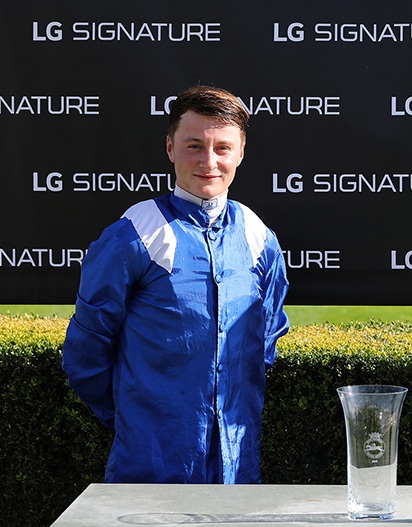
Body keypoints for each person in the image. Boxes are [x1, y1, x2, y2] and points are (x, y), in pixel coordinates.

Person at [62, 85, 290, 484]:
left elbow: (265, 340)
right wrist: (138, 420)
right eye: (193, 145)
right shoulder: (133, 235)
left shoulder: (258, 237)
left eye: (222, 147)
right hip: (148, 469)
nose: (209, 161)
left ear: (240, 152)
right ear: (170, 148)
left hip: (238, 468)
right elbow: (86, 352)